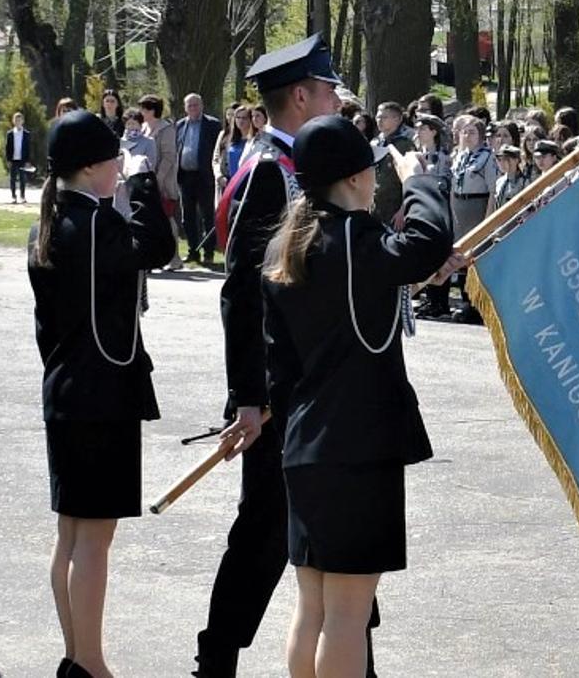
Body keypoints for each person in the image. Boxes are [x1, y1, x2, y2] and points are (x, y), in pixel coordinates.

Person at [261, 116, 457, 678]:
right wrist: (418, 177)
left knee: (313, 608)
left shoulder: (290, 246)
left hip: (305, 444)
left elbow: (281, 366)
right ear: (353, 178)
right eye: (373, 172)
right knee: (347, 615)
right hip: (358, 446)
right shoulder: (355, 239)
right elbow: (428, 238)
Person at [199, 34, 365, 678]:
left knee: (335, 535)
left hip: (322, 388)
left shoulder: (307, 166)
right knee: (266, 531)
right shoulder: (271, 172)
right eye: (328, 92)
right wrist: (248, 396)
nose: (337, 102)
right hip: (279, 394)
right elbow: (242, 291)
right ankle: (216, 659)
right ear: (300, 96)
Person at [27, 111, 174, 678]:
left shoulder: (48, 224)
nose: (118, 166)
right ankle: (89, 662)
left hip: (67, 387)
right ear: (90, 168)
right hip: (101, 395)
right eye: (113, 159)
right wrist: (143, 180)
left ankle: (76, 656)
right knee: (92, 539)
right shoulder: (96, 224)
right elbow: (157, 246)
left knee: (71, 534)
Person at [447, 115, 496, 324]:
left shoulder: (487, 157)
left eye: (472, 132)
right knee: (460, 256)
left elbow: (492, 190)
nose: (467, 136)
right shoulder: (459, 156)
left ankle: (476, 305)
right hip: (459, 206)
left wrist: (488, 218)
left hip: (477, 205)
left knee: (475, 256)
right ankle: (465, 301)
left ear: (481, 136)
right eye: (464, 132)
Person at [410, 115, 455, 319]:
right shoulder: (418, 155)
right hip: (421, 206)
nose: (418, 132)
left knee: (439, 252)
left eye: (423, 129)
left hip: (438, 207)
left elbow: (445, 183)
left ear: (433, 132)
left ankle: (440, 302)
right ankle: (429, 297)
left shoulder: (443, 157)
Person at [176, 93, 224, 268]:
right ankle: (192, 251)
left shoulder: (213, 124)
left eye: (196, 105)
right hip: (185, 176)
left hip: (205, 177)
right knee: (188, 217)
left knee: (207, 216)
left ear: (202, 105)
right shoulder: (180, 125)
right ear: (185, 108)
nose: (193, 108)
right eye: (189, 105)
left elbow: (219, 150)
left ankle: (209, 252)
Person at [138, 95, 181, 269]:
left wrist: (158, 178)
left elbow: (169, 156)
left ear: (152, 110)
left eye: (144, 108)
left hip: (163, 183)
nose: (141, 111)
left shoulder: (166, 129)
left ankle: (175, 258)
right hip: (145, 179)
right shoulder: (143, 128)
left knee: (167, 218)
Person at [4, 111, 34, 204]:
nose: (18, 122)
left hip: (22, 159)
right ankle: (13, 196)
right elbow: (7, 147)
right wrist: (8, 159)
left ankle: (22, 196)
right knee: (12, 178)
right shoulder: (10, 133)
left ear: (22, 121)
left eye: (19, 120)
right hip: (13, 159)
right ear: (13, 121)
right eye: (16, 120)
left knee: (22, 178)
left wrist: (28, 160)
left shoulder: (26, 134)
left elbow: (28, 148)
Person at [491, 144, 533, 209]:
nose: (502, 163)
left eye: (506, 159)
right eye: (499, 159)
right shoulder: (499, 181)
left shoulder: (524, 182)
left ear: (516, 160)